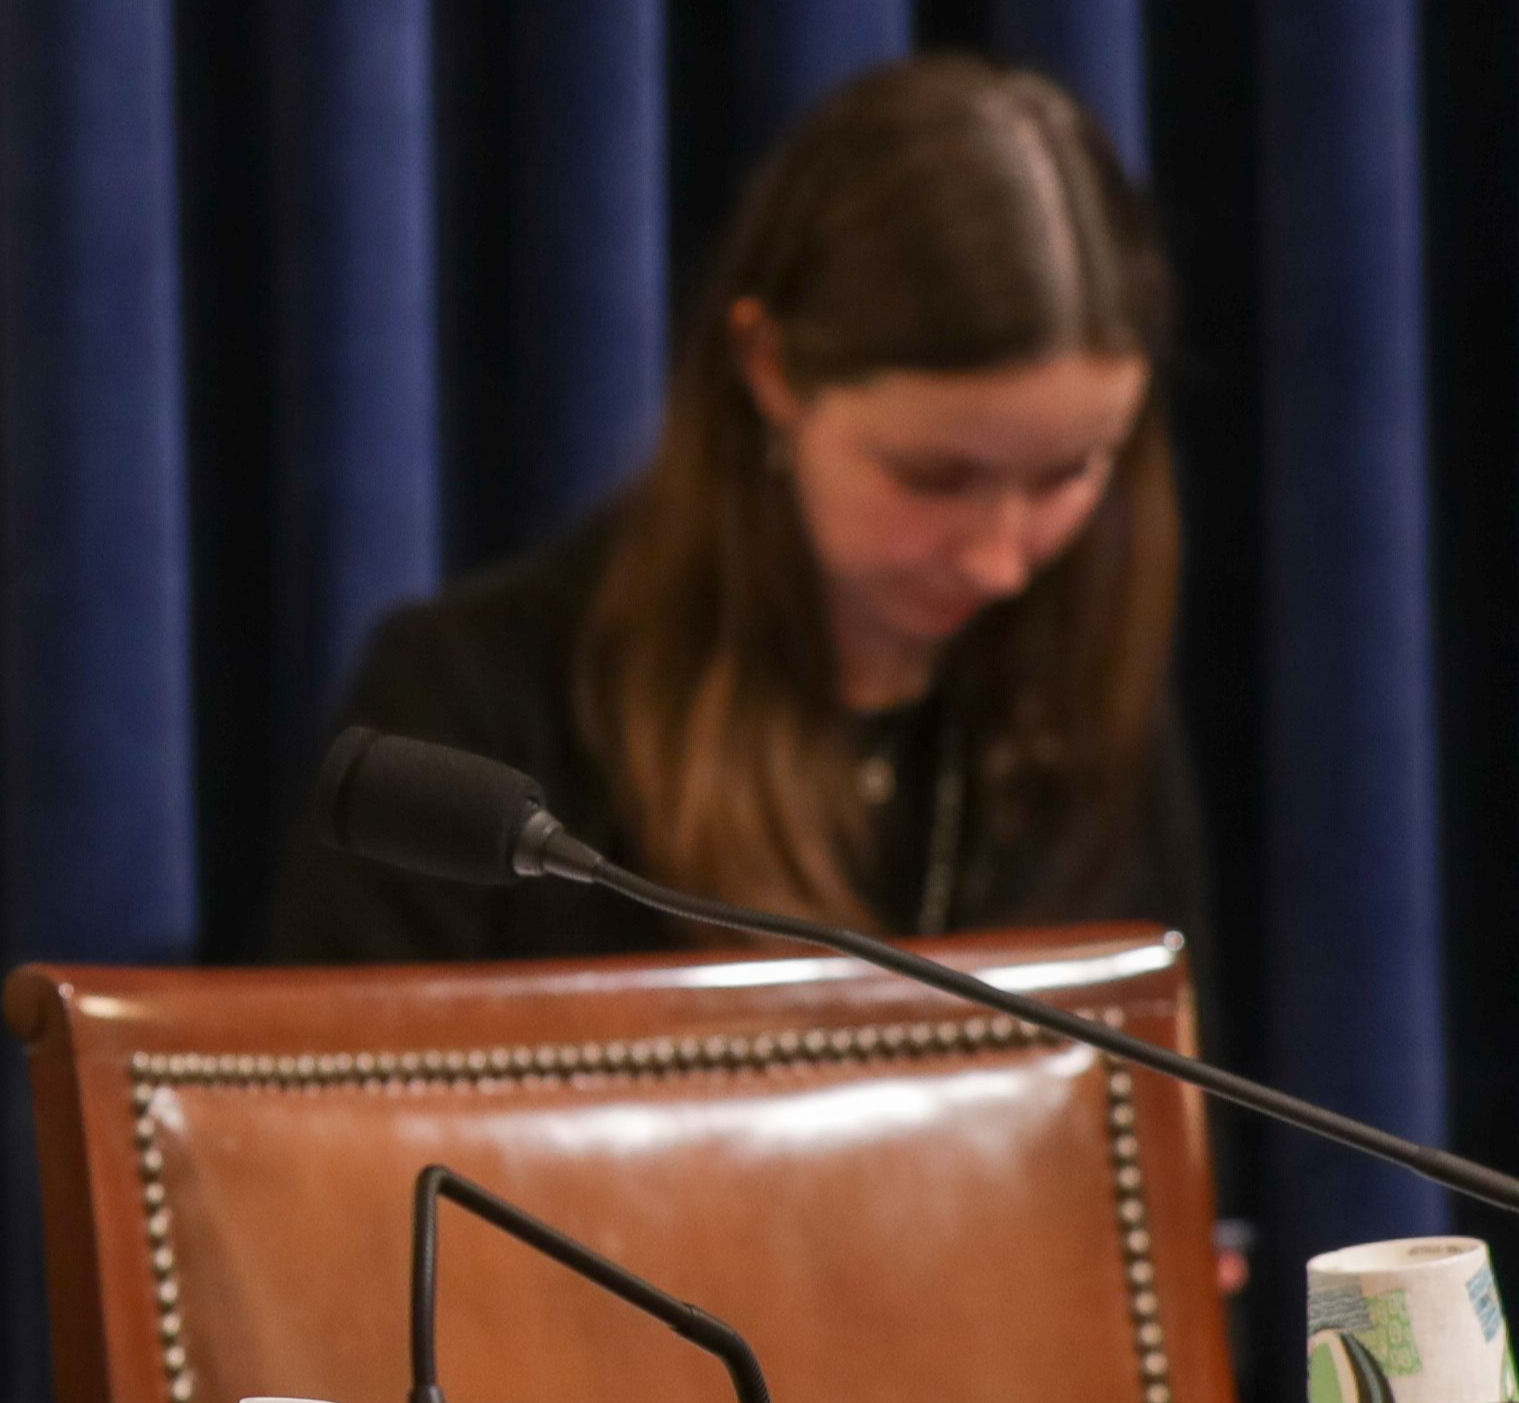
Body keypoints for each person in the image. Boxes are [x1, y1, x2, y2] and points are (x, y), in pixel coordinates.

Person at [267, 52, 1204, 968]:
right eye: (936, 479)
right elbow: (309, 1120)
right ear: (771, 371)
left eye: (1069, 474)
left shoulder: (1085, 696)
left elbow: (1172, 1114)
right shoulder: (470, 708)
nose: (1001, 561)